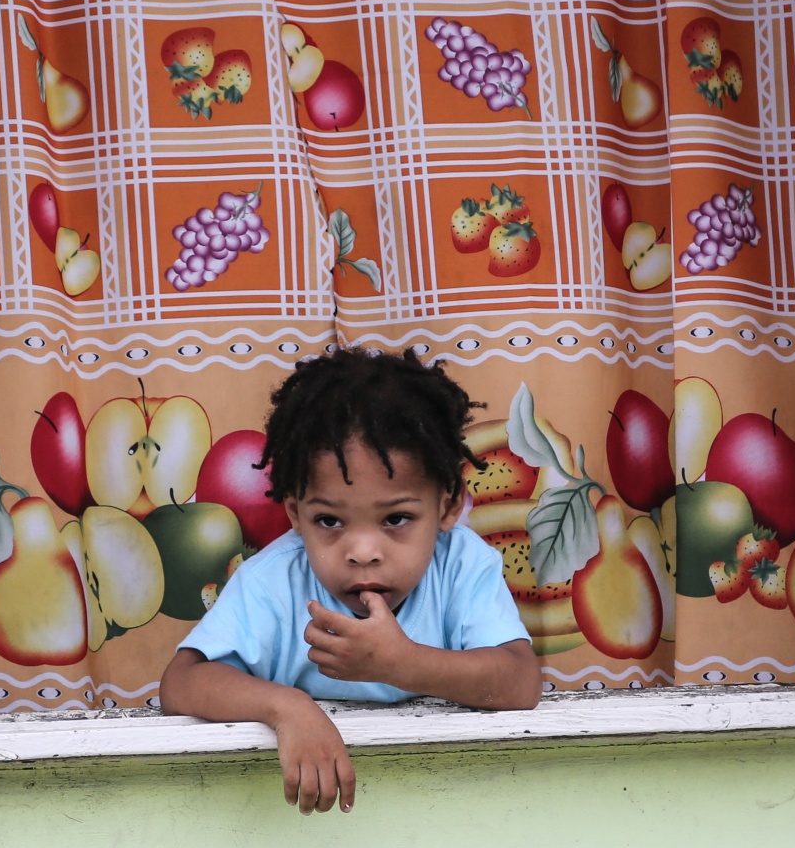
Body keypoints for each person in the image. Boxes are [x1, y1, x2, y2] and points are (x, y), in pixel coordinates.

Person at [158, 347, 542, 815]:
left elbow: (520, 682)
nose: (363, 552)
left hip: (450, 811)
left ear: (446, 508)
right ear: (296, 514)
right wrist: (288, 709)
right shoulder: (273, 581)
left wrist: (402, 663)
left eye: (397, 518)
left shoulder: (461, 566)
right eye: (330, 522)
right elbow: (182, 682)